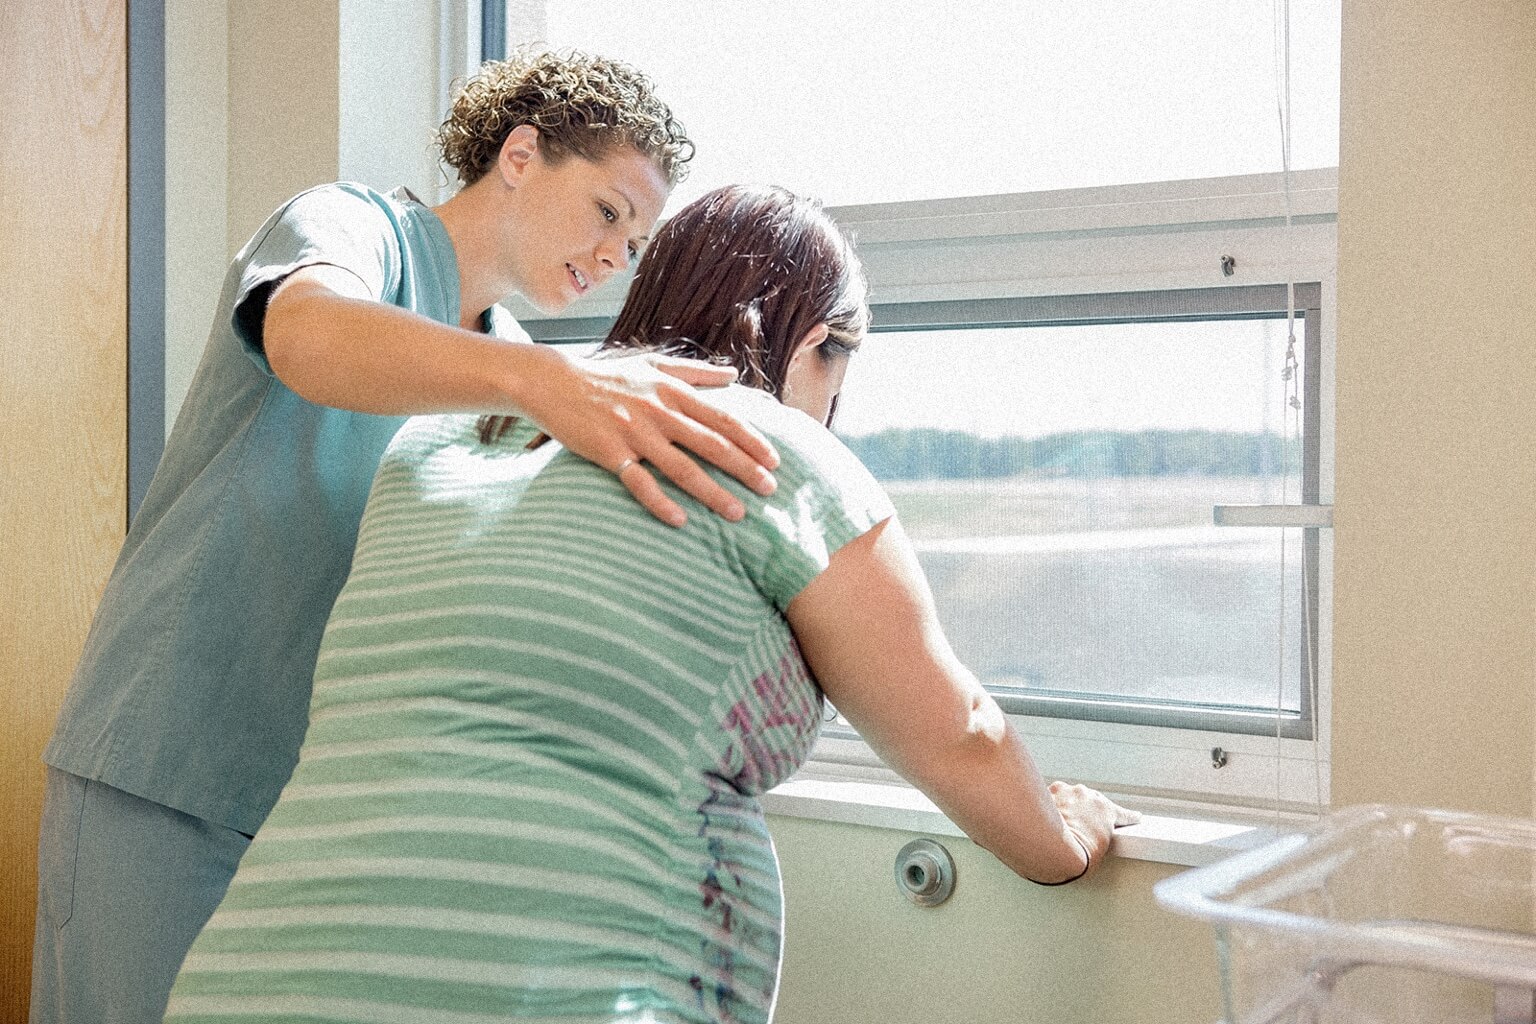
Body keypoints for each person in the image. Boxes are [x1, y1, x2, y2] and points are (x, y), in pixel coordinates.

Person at [161, 184, 1138, 1024]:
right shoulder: (772, 451)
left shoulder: (450, 439)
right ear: (812, 343)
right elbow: (958, 732)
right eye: (844, 365)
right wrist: (1068, 841)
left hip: (254, 977)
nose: (838, 403)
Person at [31, 50, 783, 1024]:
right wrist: (545, 385)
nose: (613, 257)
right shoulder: (354, 230)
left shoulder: (518, 368)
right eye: (607, 211)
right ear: (521, 155)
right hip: (169, 769)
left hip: (321, 821)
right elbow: (307, 334)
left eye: (634, 245)